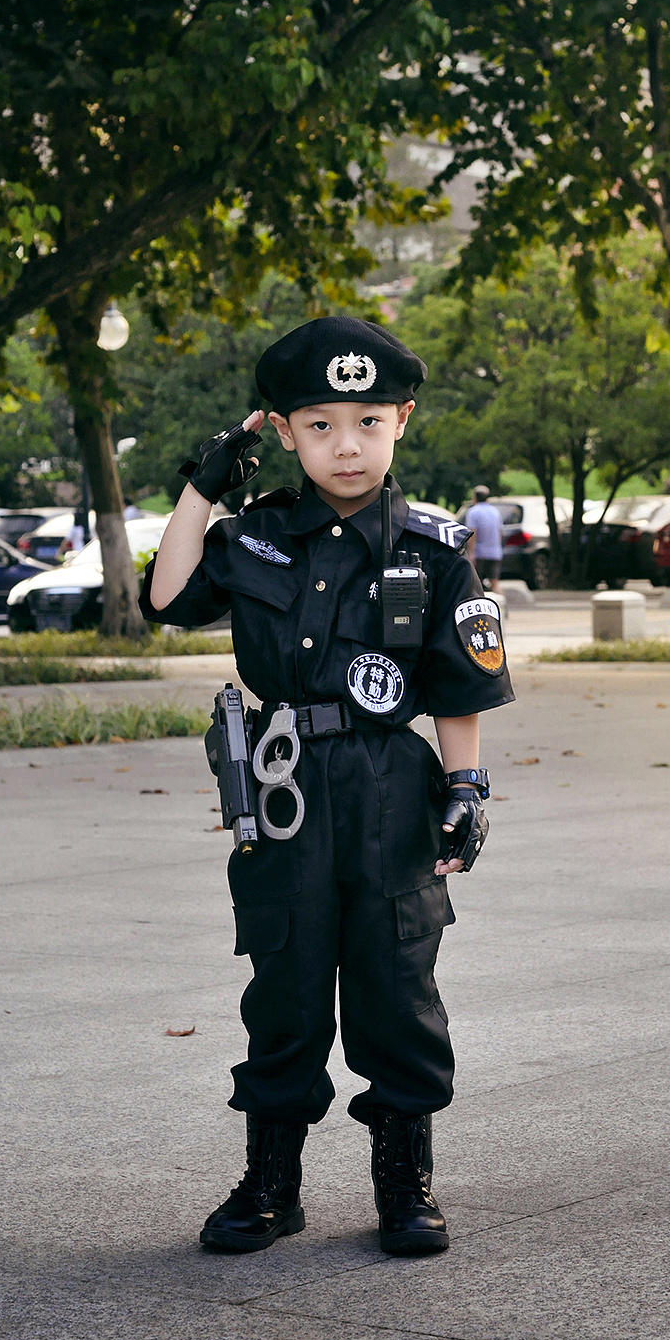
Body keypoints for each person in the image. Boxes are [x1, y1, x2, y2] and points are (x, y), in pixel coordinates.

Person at [140, 316, 514, 1259]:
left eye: (368, 422)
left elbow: (456, 683)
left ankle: (405, 1181)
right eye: (317, 426)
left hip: (392, 784)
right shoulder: (258, 534)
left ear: (402, 421)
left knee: (397, 984)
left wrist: (466, 788)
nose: (345, 446)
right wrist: (203, 483)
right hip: (285, 782)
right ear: (283, 429)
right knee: (288, 986)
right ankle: (272, 1184)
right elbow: (166, 595)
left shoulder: (434, 549)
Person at [465, 484, 504, 593]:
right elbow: (500, 532)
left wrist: (470, 553)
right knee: (495, 583)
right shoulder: (495, 511)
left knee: (476, 585)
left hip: (479, 553)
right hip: (495, 553)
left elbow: (473, 534)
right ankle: (500, 605)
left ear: (475, 497)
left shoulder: (473, 512)